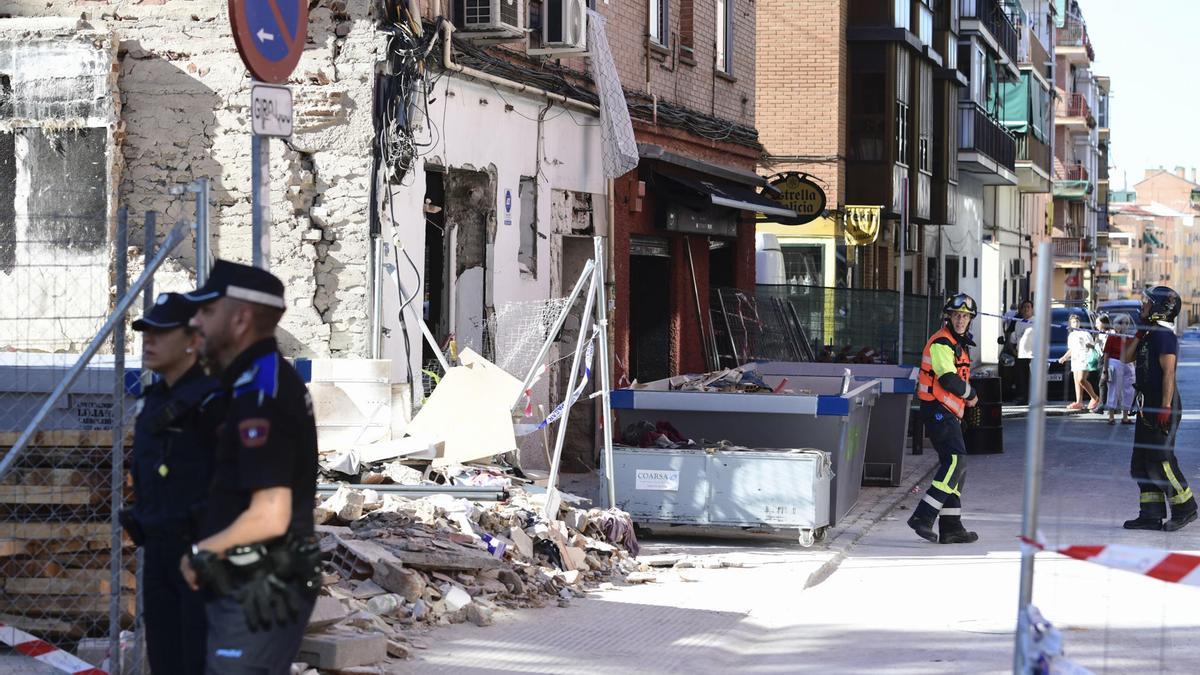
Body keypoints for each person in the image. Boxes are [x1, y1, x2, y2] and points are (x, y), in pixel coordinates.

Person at [178, 260, 322, 673]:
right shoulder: (252, 380)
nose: (195, 321)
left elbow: (271, 514)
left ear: (240, 320)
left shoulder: (262, 393)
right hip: (245, 578)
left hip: (260, 584)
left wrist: (201, 552)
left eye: (207, 311)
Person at [119, 293, 223, 675]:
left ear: (193, 340)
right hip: (160, 553)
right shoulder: (154, 401)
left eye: (161, 332)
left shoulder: (215, 401)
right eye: (146, 331)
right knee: (166, 659)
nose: (149, 340)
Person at [1121, 286, 1197, 531]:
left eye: (1147, 302)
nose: (1142, 305)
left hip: (1162, 405)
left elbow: (1169, 372)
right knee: (1141, 463)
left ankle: (1186, 508)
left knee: (1160, 461)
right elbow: (1125, 358)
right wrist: (1139, 333)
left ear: (1160, 308)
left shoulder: (1164, 336)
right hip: (1146, 407)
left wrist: (1165, 406)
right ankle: (1150, 515)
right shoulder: (1149, 335)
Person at [908, 293, 981, 544]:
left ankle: (951, 527)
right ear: (949, 317)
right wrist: (971, 395)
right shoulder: (941, 342)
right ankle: (922, 517)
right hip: (937, 409)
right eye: (957, 315)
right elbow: (948, 378)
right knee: (955, 461)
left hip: (949, 412)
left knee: (957, 468)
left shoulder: (958, 343)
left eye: (965, 317)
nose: (961, 320)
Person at [1057, 313, 1101, 411]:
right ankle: (1079, 402)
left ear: (1080, 323)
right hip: (1075, 360)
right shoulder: (1071, 335)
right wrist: (1064, 357)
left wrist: (1087, 345)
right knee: (1077, 381)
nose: (1075, 323)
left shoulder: (1085, 333)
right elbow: (1071, 349)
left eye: (1077, 321)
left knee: (1082, 379)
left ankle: (1095, 398)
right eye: (1073, 322)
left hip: (1084, 358)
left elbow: (1093, 346)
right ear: (1070, 324)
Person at [1105, 314, 1135, 425]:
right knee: (1113, 389)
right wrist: (1105, 370)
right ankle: (1111, 416)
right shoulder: (1112, 337)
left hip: (1128, 364)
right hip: (1115, 363)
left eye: (1127, 323)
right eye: (1122, 323)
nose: (1125, 325)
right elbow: (1106, 354)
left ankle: (1125, 417)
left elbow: (1133, 353)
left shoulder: (1130, 338)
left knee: (1129, 390)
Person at [1007, 300, 1035, 405]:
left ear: (1032, 309)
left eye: (1028, 307)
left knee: (1032, 378)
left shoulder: (1036, 322)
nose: (1026, 309)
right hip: (1021, 355)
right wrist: (1014, 350)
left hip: (1033, 355)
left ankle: (1033, 399)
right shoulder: (1018, 323)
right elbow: (1014, 339)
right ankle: (1023, 398)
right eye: (1024, 307)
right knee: (1022, 378)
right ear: (1021, 310)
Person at [1094, 314, 1112, 413]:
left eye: (1098, 323)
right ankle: (1108, 405)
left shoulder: (1111, 333)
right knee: (1103, 383)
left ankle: (1102, 406)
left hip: (1109, 360)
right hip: (1100, 360)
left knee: (1104, 383)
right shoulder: (1099, 334)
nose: (1096, 325)